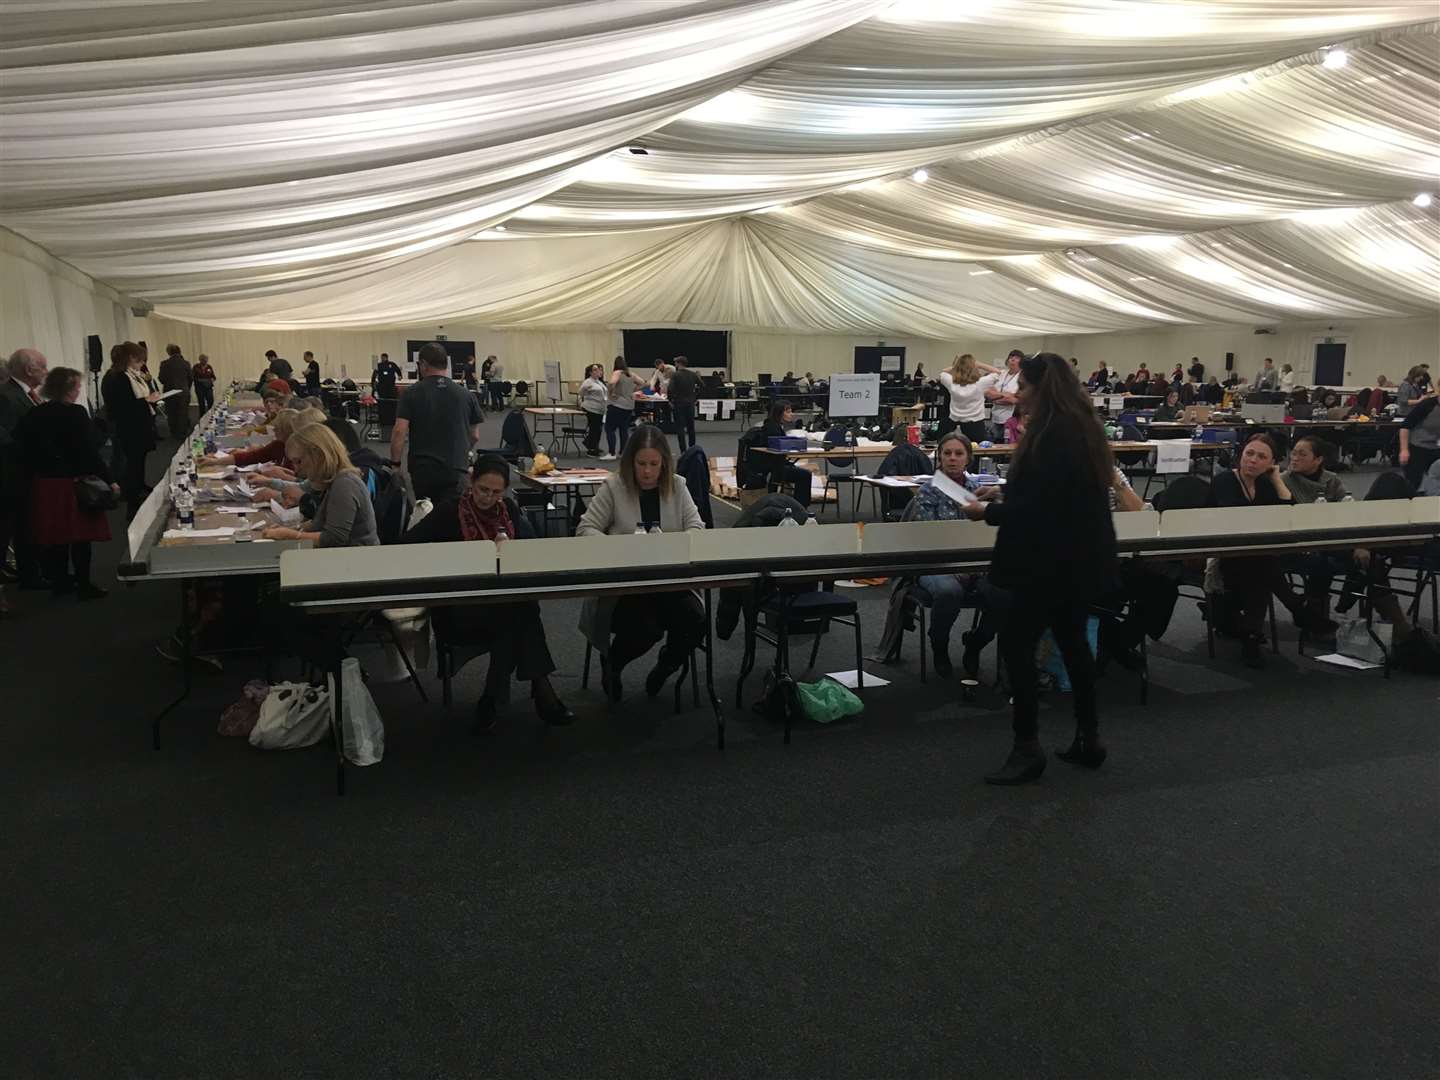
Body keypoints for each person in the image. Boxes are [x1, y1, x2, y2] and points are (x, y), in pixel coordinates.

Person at [960, 352, 1116, 784]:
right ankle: (1089, 736)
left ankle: (1026, 746)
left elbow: (1040, 510)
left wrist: (987, 513)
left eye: (1023, 388)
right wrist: (1005, 493)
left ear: (1041, 389)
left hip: (1044, 562)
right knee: (1074, 646)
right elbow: (1055, 495)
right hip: (1078, 559)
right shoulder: (1081, 429)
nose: (1018, 395)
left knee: (1017, 648)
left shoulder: (1051, 435)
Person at [401, 454, 575, 731]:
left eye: (496, 492)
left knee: (517, 615)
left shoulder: (509, 510)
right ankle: (541, 690)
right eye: (483, 489)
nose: (488, 497)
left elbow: (533, 550)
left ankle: (491, 699)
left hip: (502, 605)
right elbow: (407, 546)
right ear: (471, 482)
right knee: (524, 614)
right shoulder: (449, 512)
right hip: (459, 609)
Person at [576, 425, 705, 701]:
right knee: (645, 628)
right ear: (630, 461)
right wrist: (619, 550)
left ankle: (666, 665)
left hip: (670, 582)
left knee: (695, 620)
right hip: (626, 587)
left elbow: (697, 527)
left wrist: (677, 545)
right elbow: (586, 529)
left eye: (654, 464)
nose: (647, 471)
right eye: (641, 463)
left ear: (664, 464)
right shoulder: (614, 486)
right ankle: (613, 663)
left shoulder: (678, 485)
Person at [1210, 433, 1332, 668]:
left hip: (1257, 555)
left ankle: (1252, 636)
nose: (1253, 460)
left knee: (1260, 568)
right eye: (1249, 454)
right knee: (1263, 566)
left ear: (1271, 463)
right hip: (1222, 552)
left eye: (1261, 457)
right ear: (1241, 455)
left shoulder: (1266, 483)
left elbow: (1290, 514)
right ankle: (1296, 608)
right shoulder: (1225, 480)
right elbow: (1235, 516)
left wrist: (1277, 480)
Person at [15, 367, 118, 600]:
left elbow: (20, 443)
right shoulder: (76, 414)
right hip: (74, 483)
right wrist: (110, 480)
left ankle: (60, 582)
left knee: (56, 536)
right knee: (81, 538)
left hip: (46, 484)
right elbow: (89, 451)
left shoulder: (36, 413)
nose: (79, 390)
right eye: (77, 386)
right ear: (69, 389)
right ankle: (83, 583)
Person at [910, 432, 997, 677]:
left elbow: (986, 534)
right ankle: (939, 644)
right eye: (946, 453)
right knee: (950, 591)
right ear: (939, 457)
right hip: (936, 563)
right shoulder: (929, 490)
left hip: (975, 563)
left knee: (1003, 591)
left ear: (968, 458)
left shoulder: (977, 490)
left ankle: (977, 641)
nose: (952, 458)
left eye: (958, 454)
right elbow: (931, 538)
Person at [390, 342, 482, 502]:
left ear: (424, 364)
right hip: (456, 467)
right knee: (453, 516)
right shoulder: (466, 395)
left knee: (426, 515)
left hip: (423, 470)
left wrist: (395, 465)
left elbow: (399, 432)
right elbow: (474, 436)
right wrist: (462, 451)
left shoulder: (411, 393)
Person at [261, 424, 378, 547]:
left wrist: (291, 535)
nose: (296, 469)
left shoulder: (344, 484)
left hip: (354, 560)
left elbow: (334, 539)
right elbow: (321, 523)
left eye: (299, 461)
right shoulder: (334, 481)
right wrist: (293, 529)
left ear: (319, 455)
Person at [0, 348, 50, 589]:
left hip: (28, 472)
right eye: (43, 366)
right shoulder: (7, 396)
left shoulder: (26, 394)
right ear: (29, 370)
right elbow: (7, 439)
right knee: (19, 527)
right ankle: (29, 577)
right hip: (13, 475)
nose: (46, 372)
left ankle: (31, 573)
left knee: (27, 526)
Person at [101, 341, 163, 519]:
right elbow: (124, 406)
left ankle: (139, 488)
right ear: (129, 358)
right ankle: (133, 500)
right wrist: (147, 401)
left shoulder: (130, 375)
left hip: (138, 426)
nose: (142, 364)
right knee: (132, 464)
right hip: (129, 428)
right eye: (139, 360)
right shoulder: (118, 377)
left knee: (139, 461)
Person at [937, 353, 1000, 443]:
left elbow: (943, 372)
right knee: (978, 451)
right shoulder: (981, 383)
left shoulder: (951, 383)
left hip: (954, 422)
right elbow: (997, 372)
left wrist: (958, 365)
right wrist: (979, 364)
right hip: (976, 425)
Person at [760, 401, 812, 507]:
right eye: (788, 412)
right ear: (779, 413)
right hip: (774, 466)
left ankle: (799, 505)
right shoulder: (772, 428)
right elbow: (777, 447)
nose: (791, 414)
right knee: (805, 475)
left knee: (802, 473)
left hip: (775, 464)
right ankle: (801, 507)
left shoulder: (774, 425)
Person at [1398, 388, 1439, 492]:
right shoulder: (1427, 405)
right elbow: (1405, 427)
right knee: (1412, 484)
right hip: (1417, 447)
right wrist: (1404, 450)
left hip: (1436, 448)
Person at [602, 355, 642, 460]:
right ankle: (623, 452)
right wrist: (633, 391)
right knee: (623, 429)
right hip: (629, 405)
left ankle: (611, 453)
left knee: (609, 428)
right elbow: (643, 383)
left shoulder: (617, 373)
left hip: (617, 404)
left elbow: (611, 383)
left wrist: (611, 392)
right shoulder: (630, 374)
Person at [979, 349, 1023, 442]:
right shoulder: (1001, 373)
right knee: (994, 443)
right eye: (1011, 357)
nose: (1012, 360)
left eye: (1016, 358)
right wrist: (1006, 395)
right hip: (995, 417)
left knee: (1008, 444)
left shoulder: (1022, 377)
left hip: (1010, 418)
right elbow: (988, 393)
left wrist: (997, 396)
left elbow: (1014, 400)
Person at [667, 355, 704, 453]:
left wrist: (670, 400)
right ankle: (692, 448)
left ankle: (683, 450)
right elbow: (702, 386)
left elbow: (670, 389)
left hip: (678, 403)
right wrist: (696, 397)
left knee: (680, 428)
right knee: (691, 427)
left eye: (675, 363)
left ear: (679, 363)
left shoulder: (675, 375)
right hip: (690, 403)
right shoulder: (692, 374)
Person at [157, 344, 192, 441]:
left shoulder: (164, 364)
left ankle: (174, 432)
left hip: (170, 393)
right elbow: (190, 378)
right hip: (184, 392)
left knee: (172, 413)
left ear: (168, 352)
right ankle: (182, 432)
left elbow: (161, 379)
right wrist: (186, 388)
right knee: (183, 413)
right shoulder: (186, 363)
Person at [578, 363, 608, 457]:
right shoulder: (588, 382)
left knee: (598, 429)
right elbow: (581, 392)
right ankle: (591, 449)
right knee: (595, 428)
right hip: (591, 408)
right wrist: (587, 390)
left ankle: (593, 445)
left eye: (599, 369)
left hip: (600, 409)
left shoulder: (599, 381)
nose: (599, 371)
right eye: (595, 370)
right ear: (590, 372)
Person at [373, 351, 401, 426]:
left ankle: (389, 419)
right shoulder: (379, 365)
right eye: (382, 358)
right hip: (384, 387)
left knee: (390, 403)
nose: (382, 359)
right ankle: (384, 419)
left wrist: (400, 376)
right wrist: (373, 385)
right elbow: (374, 375)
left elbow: (398, 370)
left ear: (385, 357)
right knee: (384, 403)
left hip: (388, 387)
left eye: (383, 358)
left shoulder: (391, 364)